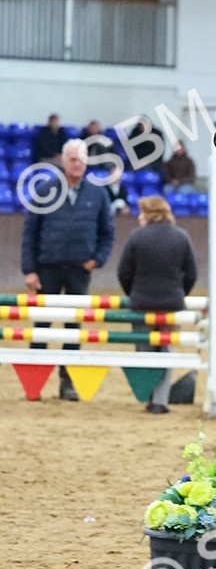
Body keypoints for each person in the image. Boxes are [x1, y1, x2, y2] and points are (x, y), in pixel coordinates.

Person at [21, 138, 115, 400]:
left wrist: (97, 259)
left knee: (73, 328)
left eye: (82, 160)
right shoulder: (45, 190)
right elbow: (30, 232)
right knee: (41, 326)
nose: (77, 165)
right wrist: (29, 270)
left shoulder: (98, 194)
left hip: (79, 270)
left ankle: (68, 383)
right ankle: (34, 384)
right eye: (73, 160)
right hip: (47, 269)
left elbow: (107, 234)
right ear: (63, 161)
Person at [117, 195, 198, 414]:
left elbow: (123, 272)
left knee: (144, 350)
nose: (139, 217)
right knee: (166, 350)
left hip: (141, 303)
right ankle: (160, 401)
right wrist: (179, 293)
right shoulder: (181, 236)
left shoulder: (136, 237)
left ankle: (149, 394)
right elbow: (191, 273)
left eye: (141, 213)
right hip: (171, 304)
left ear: (150, 214)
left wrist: (133, 293)